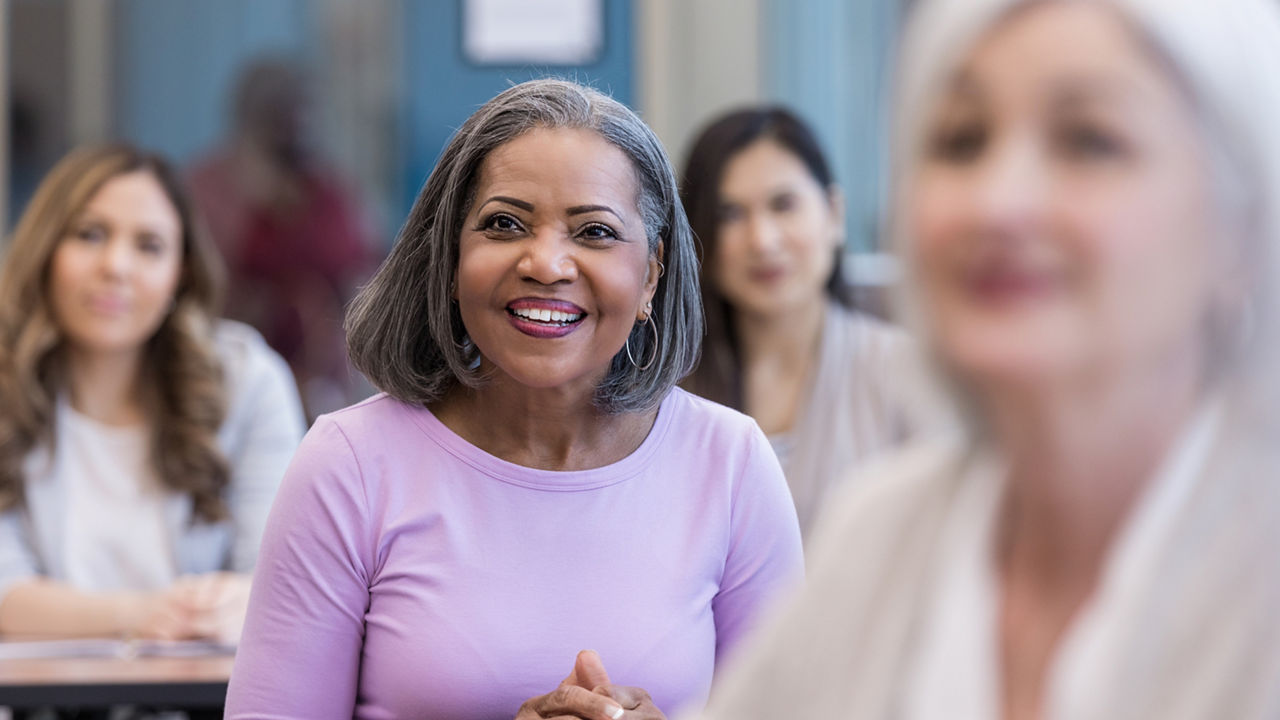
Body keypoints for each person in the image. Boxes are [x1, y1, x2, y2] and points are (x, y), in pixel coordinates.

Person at [689, 0, 1280, 718]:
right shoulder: (881, 537)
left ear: (1243, 230)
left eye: (1090, 141)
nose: (999, 201)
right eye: (961, 141)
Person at [225, 78, 804, 720]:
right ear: (449, 258)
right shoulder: (349, 466)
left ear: (651, 275)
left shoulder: (732, 464)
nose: (547, 263)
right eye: (505, 224)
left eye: (595, 232)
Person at [0, 144, 305, 644]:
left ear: (179, 275)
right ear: (45, 251)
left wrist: (240, 602)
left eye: (149, 246)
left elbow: (276, 580)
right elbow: (5, 593)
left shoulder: (245, 381)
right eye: (90, 234)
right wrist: (142, 614)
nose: (117, 266)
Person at [680, 107, 927, 540]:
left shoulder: (908, 373)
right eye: (730, 215)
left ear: (833, 214)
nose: (762, 240)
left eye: (783, 205)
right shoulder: (665, 392)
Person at [188, 56, 374, 418]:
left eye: (299, 109)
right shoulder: (206, 191)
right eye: (276, 111)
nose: (292, 124)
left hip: (326, 381)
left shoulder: (328, 191)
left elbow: (362, 276)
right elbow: (203, 288)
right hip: (228, 372)